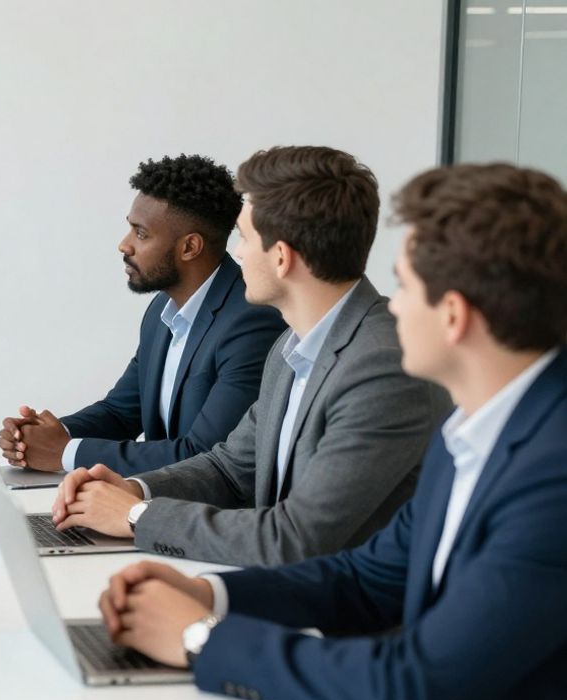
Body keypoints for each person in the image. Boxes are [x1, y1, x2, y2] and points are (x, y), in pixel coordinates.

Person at [95, 163, 567, 700]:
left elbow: (411, 684)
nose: (392, 310)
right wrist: (206, 593)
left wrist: (198, 638)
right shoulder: (470, 432)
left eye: (406, 287)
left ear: (453, 316)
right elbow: (367, 579)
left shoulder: (551, 477)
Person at [52, 146, 449, 566]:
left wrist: (135, 516)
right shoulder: (292, 346)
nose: (235, 253)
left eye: (243, 236)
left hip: (343, 619)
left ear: (282, 257)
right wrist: (133, 489)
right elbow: (229, 467)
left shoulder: (383, 367)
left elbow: (293, 538)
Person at [0, 154, 286, 474]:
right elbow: (121, 412)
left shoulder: (251, 322)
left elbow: (204, 455)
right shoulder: (162, 310)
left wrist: (65, 453)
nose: (124, 245)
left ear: (190, 247)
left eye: (141, 233)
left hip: (206, 516)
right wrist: (40, 436)